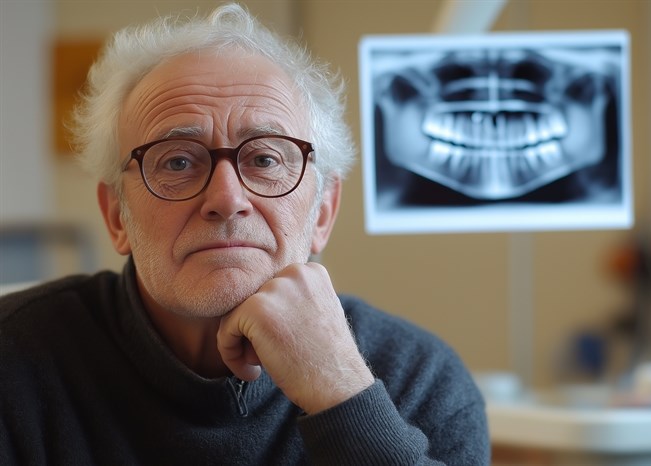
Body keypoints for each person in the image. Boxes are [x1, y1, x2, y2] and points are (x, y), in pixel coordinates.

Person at [0, 3, 489, 464]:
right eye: (177, 161)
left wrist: (340, 394)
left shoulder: (422, 382)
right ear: (116, 217)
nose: (227, 198)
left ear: (323, 210)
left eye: (265, 159)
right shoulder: (14, 360)